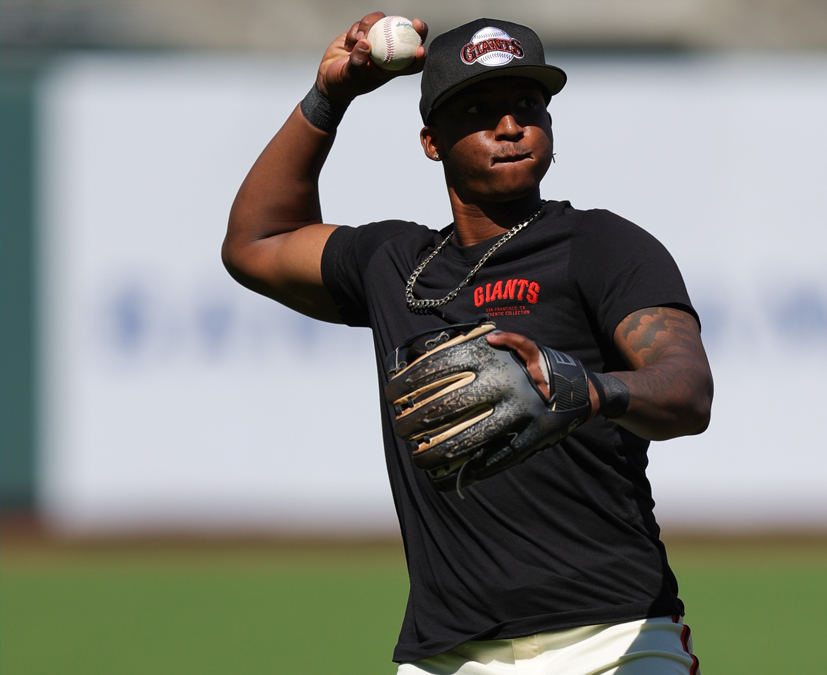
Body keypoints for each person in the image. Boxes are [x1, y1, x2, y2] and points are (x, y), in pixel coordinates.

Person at [223, 13, 713, 675]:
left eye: (527, 106)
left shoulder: (601, 245)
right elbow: (255, 243)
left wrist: (591, 389)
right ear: (432, 141)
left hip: (613, 637)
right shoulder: (395, 264)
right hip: (448, 655)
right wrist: (329, 97)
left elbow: (688, 388)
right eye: (479, 110)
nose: (510, 126)